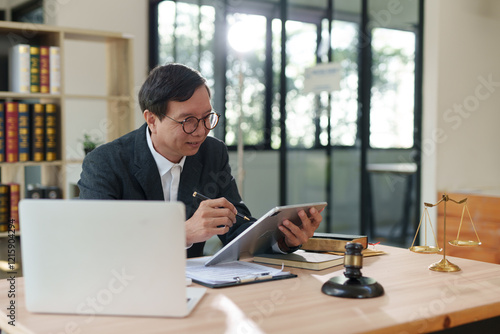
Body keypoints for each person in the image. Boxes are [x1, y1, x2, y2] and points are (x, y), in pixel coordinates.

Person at [78, 63, 323, 258]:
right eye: (187, 121)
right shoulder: (104, 163)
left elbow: (237, 227)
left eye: (207, 117)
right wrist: (182, 233)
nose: (200, 131)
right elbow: (98, 242)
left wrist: (283, 239)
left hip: (193, 288)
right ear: (152, 119)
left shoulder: (212, 153)